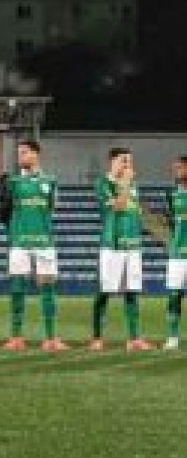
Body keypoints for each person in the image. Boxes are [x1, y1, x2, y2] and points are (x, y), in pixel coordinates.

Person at [0, 139, 66, 352]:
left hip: (44, 241)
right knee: (17, 289)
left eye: (25, 152)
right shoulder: (13, 182)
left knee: (48, 289)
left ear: (36, 154)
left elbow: (52, 208)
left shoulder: (51, 181)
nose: (20, 156)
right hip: (20, 242)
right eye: (19, 153)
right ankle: (16, 337)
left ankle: (51, 338)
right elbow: (4, 212)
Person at [91, 147, 151, 352]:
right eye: (124, 161)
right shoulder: (103, 183)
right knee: (104, 292)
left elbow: (135, 211)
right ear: (112, 162)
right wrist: (125, 184)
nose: (128, 165)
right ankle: (97, 337)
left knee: (132, 292)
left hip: (132, 245)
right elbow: (117, 206)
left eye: (130, 161)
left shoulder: (134, 186)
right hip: (112, 245)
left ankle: (134, 338)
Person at [168, 156, 187, 351]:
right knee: (174, 295)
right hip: (177, 254)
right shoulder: (170, 194)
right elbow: (172, 224)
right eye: (174, 167)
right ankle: (173, 336)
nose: (176, 170)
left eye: (180, 167)